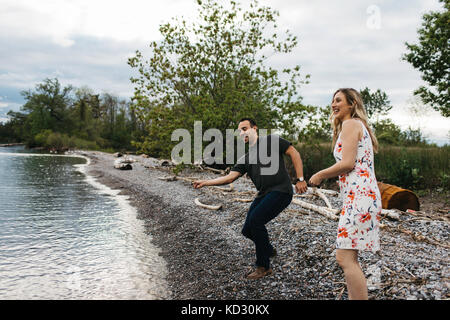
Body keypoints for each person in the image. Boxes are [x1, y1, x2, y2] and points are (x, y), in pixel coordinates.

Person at [193, 118, 308, 279]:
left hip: (281, 191)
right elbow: (229, 178)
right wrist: (205, 182)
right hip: (264, 194)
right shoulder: (246, 158)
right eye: (239, 131)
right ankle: (267, 249)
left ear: (255, 128)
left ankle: (263, 266)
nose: (242, 133)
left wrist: (300, 179)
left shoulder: (271, 141)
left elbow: (293, 153)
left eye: (245, 128)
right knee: (247, 229)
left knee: (256, 221)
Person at [309, 88, 381, 300]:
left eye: (338, 100)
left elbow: (347, 163)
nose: (333, 104)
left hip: (360, 197)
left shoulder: (351, 124)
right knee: (349, 256)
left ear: (352, 104)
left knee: (345, 257)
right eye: (332, 101)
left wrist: (320, 175)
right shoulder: (357, 126)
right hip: (360, 196)